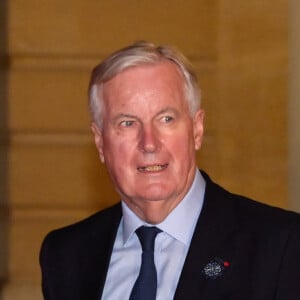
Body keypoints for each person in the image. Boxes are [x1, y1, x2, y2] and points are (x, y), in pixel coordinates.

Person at [40, 41, 300, 300]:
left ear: (197, 130)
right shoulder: (66, 257)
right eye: (128, 123)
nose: (149, 143)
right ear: (100, 142)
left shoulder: (281, 247)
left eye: (166, 119)